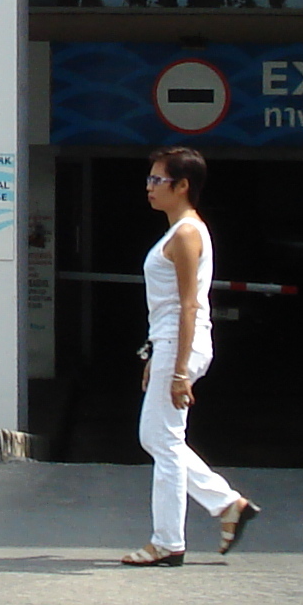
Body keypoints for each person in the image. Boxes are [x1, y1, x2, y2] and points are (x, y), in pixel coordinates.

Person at [124, 146, 257, 566]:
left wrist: (179, 370)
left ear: (183, 186)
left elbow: (188, 305)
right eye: (149, 179)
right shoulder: (180, 230)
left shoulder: (185, 233)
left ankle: (167, 541)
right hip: (171, 343)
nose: (149, 187)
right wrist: (157, 355)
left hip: (183, 343)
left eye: (157, 180)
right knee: (158, 438)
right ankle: (226, 504)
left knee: (163, 441)